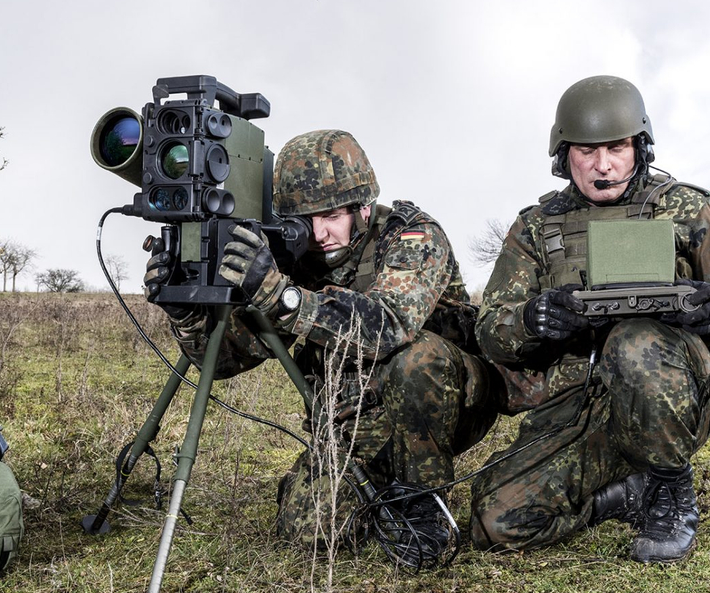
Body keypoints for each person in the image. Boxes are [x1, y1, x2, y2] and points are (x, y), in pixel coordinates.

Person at [145, 129, 511, 555]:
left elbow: (386, 324)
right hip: (354, 423)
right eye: (306, 220)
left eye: (332, 215)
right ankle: (362, 484)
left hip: (444, 409)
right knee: (310, 533)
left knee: (415, 357)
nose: (320, 234)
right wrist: (185, 310)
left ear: (363, 206)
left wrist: (284, 297)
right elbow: (227, 361)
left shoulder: (411, 236)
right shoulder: (295, 258)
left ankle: (421, 501)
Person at [469, 75, 710, 563]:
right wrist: (533, 319)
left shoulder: (687, 207)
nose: (603, 165)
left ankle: (671, 492)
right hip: (579, 400)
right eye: (586, 151)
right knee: (495, 521)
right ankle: (625, 494)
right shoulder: (535, 226)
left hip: (673, 397)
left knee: (633, 340)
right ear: (563, 155)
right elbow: (490, 331)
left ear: (641, 146)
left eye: (617, 147)